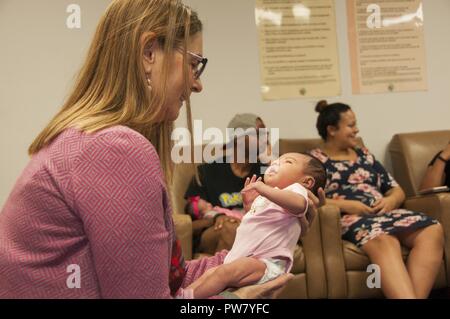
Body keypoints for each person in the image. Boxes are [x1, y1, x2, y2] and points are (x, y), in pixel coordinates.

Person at [0, 0, 313, 299]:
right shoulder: (113, 149)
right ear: (149, 52)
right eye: (194, 64)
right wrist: (238, 299)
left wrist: (268, 240)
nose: (197, 85)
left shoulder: (90, 141)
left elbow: (162, 282)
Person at [309, 100, 444, 299]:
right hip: (349, 218)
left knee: (432, 228)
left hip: (385, 212)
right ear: (332, 130)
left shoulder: (365, 155)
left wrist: (391, 200)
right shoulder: (315, 161)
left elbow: (396, 189)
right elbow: (306, 197)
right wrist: (349, 205)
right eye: (351, 125)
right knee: (383, 239)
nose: (356, 130)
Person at [180, 153, 326, 299]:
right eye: (276, 160)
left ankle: (188, 298)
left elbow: (300, 205)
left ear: (306, 182)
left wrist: (264, 189)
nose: (276, 164)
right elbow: (257, 225)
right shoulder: (268, 197)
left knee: (223, 273)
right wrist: (250, 207)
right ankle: (182, 295)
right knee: (212, 273)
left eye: (287, 162)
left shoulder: (296, 189)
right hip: (248, 258)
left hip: (266, 263)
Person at [184, 113, 268, 255]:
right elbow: (192, 214)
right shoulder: (207, 171)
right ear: (239, 138)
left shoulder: (266, 172)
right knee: (231, 228)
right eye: (258, 133)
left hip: (252, 232)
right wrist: (217, 218)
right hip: (215, 232)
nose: (265, 138)